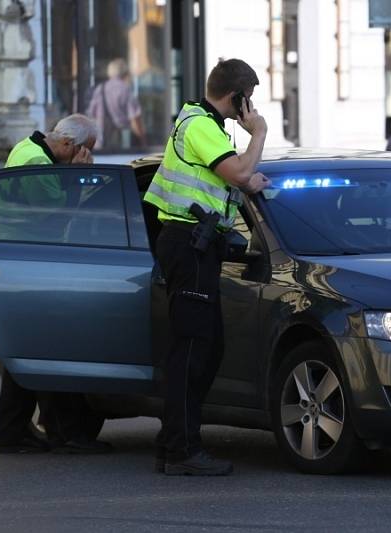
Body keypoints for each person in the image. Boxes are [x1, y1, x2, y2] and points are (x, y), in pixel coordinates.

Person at [143, 59, 271, 476]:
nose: (248, 109)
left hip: (196, 247)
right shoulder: (199, 125)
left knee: (206, 347)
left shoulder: (207, 128)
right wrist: (260, 134)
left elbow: (234, 177)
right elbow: (237, 172)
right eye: (246, 99)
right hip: (187, 245)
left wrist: (248, 178)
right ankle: (182, 450)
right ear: (236, 96)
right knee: (192, 348)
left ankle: (173, 443)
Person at [0, 114, 112, 455]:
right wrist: (78, 177)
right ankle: (60, 431)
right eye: (85, 151)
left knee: (32, 352)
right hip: (33, 262)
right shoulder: (36, 163)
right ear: (67, 144)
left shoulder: (27, 148)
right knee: (51, 349)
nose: (87, 157)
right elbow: (60, 213)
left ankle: (18, 430)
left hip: (23, 261)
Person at [86, 58, 146, 151]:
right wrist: (143, 142)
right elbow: (135, 119)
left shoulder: (100, 89)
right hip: (122, 143)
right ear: (125, 73)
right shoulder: (125, 89)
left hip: (101, 142)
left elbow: (91, 115)